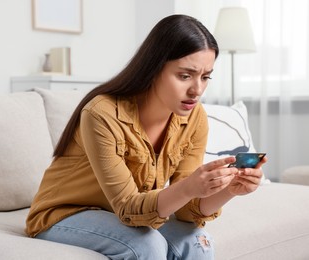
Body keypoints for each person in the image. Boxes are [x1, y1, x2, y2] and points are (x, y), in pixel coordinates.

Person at [25, 14, 267, 260]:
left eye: (205, 77)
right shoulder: (102, 113)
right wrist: (189, 187)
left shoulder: (194, 118)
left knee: (197, 242)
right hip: (63, 214)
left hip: (117, 214)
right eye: (185, 76)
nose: (197, 90)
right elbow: (129, 207)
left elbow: (185, 212)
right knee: (145, 245)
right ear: (154, 68)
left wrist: (228, 191)